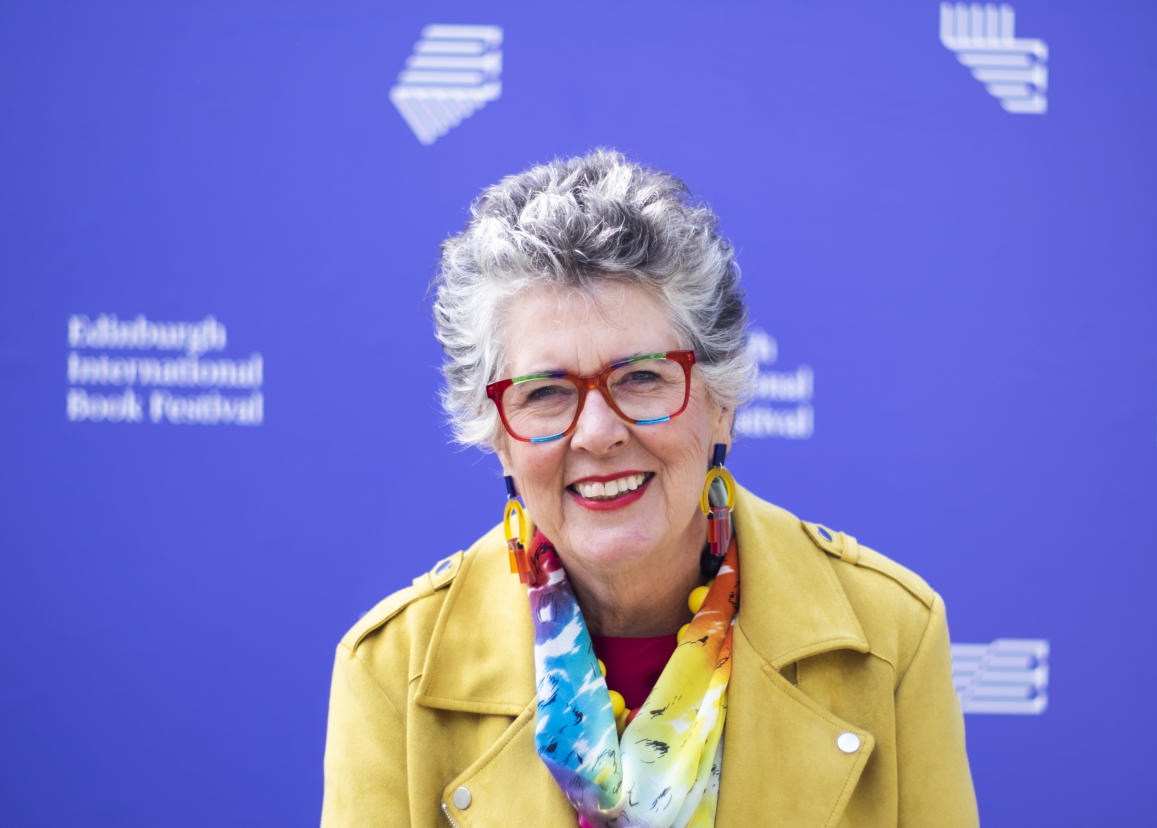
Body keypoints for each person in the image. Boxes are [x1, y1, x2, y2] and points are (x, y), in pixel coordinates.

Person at [322, 150, 977, 827]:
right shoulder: (392, 668)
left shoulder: (890, 633)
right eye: (545, 393)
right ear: (498, 437)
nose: (598, 433)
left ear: (720, 402)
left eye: (641, 378)